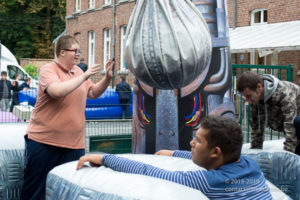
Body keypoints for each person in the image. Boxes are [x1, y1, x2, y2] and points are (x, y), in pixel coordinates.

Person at [77, 116, 273, 199]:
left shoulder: (209, 182)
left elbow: (152, 172)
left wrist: (106, 159)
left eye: (198, 141)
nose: (191, 144)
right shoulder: (250, 165)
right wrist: (174, 153)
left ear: (215, 152)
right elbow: (195, 155)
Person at [20, 35, 114, 200]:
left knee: (67, 191)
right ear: (62, 52)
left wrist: (107, 78)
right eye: (75, 51)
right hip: (44, 143)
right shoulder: (49, 70)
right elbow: (56, 91)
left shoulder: (77, 71)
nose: (78, 55)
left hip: (73, 145)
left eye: (80, 51)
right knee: (36, 191)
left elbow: (92, 93)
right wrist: (85, 76)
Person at [237, 71, 300, 155]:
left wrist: (286, 157)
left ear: (259, 87)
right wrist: (254, 155)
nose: (247, 99)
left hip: (297, 125)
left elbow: (290, 124)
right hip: (295, 130)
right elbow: (256, 129)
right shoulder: (255, 101)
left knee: (297, 123)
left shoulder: (283, 93)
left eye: (249, 96)